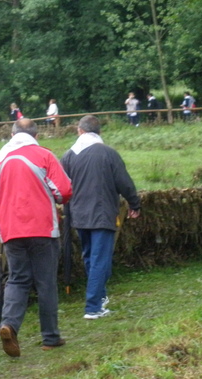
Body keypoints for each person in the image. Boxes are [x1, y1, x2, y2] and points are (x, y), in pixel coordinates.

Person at [0, 118, 72, 357]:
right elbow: (63, 191)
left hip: (11, 230)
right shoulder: (44, 155)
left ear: (12, 134)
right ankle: (50, 337)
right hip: (43, 228)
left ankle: (9, 324)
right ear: (36, 135)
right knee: (45, 282)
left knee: (17, 279)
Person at [61, 115, 140, 319]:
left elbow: (61, 186)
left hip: (78, 214)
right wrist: (134, 203)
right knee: (99, 259)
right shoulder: (108, 153)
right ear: (100, 132)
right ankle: (93, 306)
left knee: (89, 257)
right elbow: (124, 182)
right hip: (102, 212)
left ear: (80, 131)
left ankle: (99, 296)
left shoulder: (68, 156)